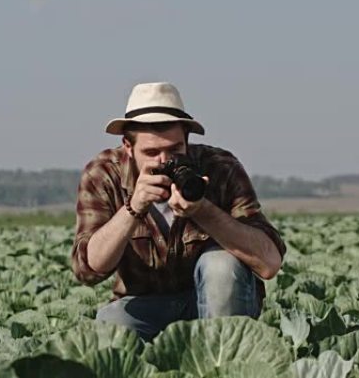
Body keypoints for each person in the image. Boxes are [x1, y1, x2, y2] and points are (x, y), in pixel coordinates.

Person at [71, 82, 286, 341]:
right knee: (109, 328)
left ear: (188, 141)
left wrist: (204, 211)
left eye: (175, 150)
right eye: (151, 152)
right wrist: (133, 207)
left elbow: (269, 263)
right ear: (128, 147)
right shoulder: (103, 174)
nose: (165, 162)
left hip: (216, 306)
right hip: (145, 305)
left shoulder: (219, 169)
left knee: (220, 264)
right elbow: (87, 270)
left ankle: (223, 362)